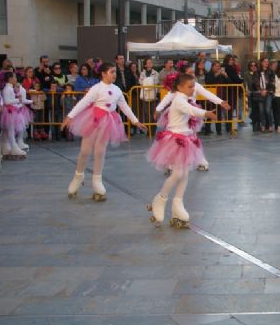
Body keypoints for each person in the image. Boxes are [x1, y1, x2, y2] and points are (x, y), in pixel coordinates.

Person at [60, 62, 147, 201]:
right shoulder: (96, 88)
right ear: (103, 73)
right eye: (112, 72)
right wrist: (70, 116)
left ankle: (97, 180)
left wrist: (135, 121)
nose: (114, 74)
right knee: (85, 151)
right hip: (93, 120)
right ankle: (78, 175)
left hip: (108, 122)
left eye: (115, 72)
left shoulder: (117, 90)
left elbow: (124, 106)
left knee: (100, 151)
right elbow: (83, 103)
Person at [146, 73, 216, 228]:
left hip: (186, 138)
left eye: (193, 86)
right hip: (175, 140)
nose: (193, 89)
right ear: (179, 87)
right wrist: (206, 113)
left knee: (184, 173)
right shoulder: (178, 100)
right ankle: (160, 198)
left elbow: (190, 109)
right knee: (178, 173)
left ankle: (178, 204)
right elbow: (191, 110)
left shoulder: (184, 98)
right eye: (190, 87)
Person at [156, 63, 229, 170]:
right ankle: (171, 164)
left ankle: (201, 161)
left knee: (193, 139)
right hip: (179, 115)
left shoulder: (196, 85)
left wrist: (221, 102)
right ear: (183, 75)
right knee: (174, 140)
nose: (192, 75)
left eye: (193, 73)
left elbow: (207, 93)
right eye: (189, 73)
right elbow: (168, 97)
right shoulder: (179, 87)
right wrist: (158, 109)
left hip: (192, 115)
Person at [0, 72, 33, 158]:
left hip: (11, 111)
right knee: (10, 130)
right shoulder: (8, 89)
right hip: (9, 112)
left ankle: (6, 147)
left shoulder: (9, 88)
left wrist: (17, 101)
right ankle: (14, 147)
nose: (16, 79)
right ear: (10, 79)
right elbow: (7, 101)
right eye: (14, 77)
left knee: (7, 131)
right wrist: (17, 100)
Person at [139, 58, 159, 132]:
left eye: (151, 62)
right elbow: (141, 82)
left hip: (153, 96)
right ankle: (149, 130)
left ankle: (153, 129)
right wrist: (149, 82)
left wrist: (146, 82)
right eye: (148, 62)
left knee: (153, 113)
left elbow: (155, 82)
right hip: (145, 96)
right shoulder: (142, 73)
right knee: (146, 113)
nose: (150, 64)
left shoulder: (156, 73)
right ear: (145, 64)